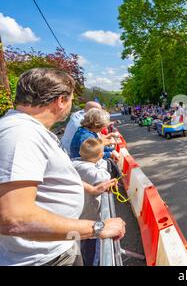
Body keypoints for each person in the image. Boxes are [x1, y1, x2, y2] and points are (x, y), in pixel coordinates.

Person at [0, 68, 125, 266]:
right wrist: (97, 227)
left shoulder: (29, 131)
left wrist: (91, 189)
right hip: (44, 258)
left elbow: (51, 179)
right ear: (60, 101)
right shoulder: (20, 135)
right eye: (70, 100)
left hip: (55, 248)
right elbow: (15, 218)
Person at [72, 138, 115, 266]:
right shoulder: (90, 170)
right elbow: (105, 176)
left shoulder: (74, 163)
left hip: (79, 214)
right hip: (89, 216)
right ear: (100, 155)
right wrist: (102, 161)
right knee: (92, 250)